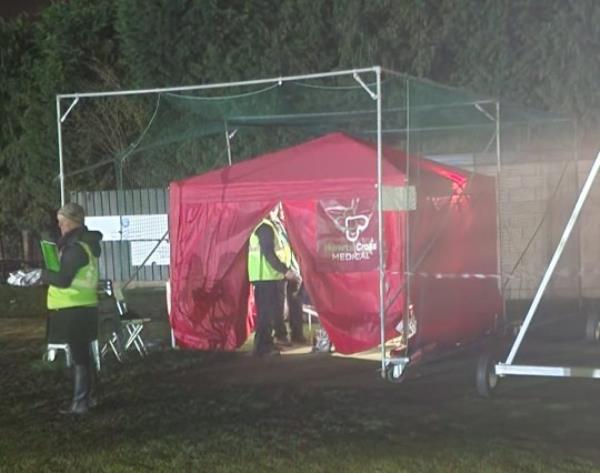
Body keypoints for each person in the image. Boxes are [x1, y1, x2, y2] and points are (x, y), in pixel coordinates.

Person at [42, 202, 102, 415]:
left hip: (73, 308)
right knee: (84, 353)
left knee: (79, 355)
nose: (60, 227)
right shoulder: (87, 245)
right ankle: (89, 398)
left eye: (61, 222)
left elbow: (64, 279)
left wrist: (42, 275)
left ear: (70, 222)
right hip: (85, 306)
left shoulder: (75, 248)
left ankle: (80, 403)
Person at [248, 205, 301, 356]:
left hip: (270, 276)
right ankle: (262, 348)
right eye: (273, 207)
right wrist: (286, 271)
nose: (276, 210)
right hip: (266, 277)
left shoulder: (271, 226)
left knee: (269, 314)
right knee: (265, 314)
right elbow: (269, 254)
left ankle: (267, 344)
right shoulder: (265, 228)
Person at [269, 209, 307, 345]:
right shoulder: (270, 225)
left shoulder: (283, 224)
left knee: (295, 303)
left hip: (292, 269)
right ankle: (281, 335)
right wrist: (284, 270)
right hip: (281, 272)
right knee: (279, 307)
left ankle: (296, 334)